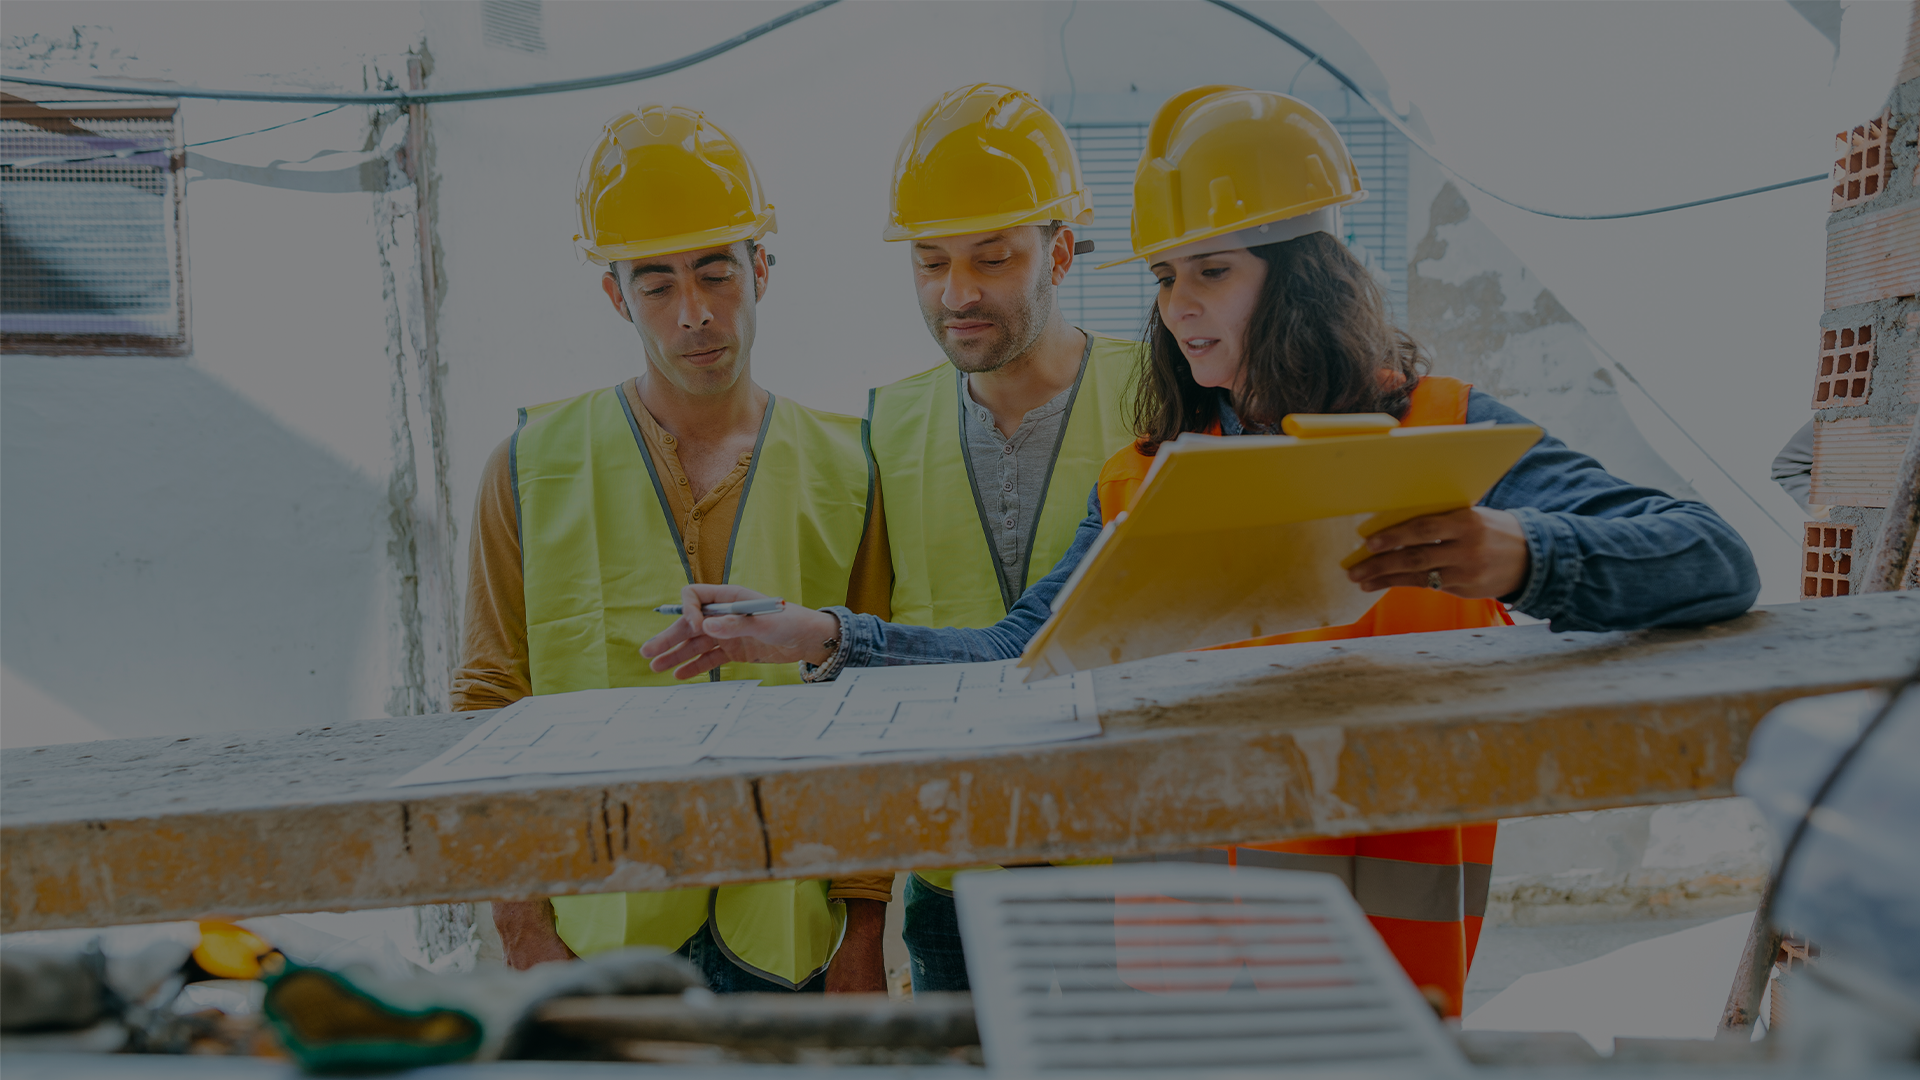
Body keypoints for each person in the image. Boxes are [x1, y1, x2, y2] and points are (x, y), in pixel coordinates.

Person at [640, 87, 1761, 1014]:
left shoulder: (1442, 436)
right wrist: (823, 633)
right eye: (1167, 276)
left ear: (1305, 274)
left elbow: (1709, 556)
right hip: (1185, 985)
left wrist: (1519, 555)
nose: (1178, 307)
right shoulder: (1149, 475)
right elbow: (1024, 648)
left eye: (1212, 270)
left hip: (1385, 981)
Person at [452, 104, 890, 993]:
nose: (694, 313)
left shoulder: (851, 468)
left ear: (760, 270)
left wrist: (864, 933)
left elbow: (878, 710)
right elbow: (489, 704)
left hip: (792, 930)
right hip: (598, 930)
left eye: (716, 273)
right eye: (656, 285)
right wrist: (520, 923)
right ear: (616, 297)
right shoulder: (527, 468)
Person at [865, 84, 1145, 993]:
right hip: (957, 872)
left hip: (1130, 864)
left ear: (1059, 253)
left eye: (992, 258)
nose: (958, 293)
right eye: (931, 262)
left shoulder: (1160, 397)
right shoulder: (882, 427)